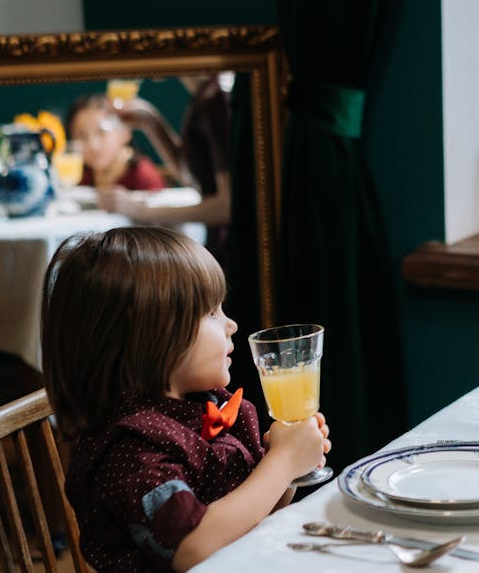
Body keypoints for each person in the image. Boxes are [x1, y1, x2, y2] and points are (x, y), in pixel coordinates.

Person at [41, 227, 331, 571]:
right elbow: (193, 547)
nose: (231, 325)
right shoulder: (130, 449)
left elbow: (244, 523)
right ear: (151, 336)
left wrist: (289, 469)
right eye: (211, 313)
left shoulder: (203, 406)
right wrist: (280, 463)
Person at [99, 73, 231, 265]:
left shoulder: (215, 100)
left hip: (229, 250)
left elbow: (226, 206)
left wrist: (143, 211)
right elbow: (191, 176)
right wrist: (150, 122)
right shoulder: (204, 94)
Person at [66, 94, 166, 192]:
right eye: (82, 136)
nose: (93, 146)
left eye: (102, 132)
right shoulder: (80, 176)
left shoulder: (144, 176)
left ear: (125, 132)